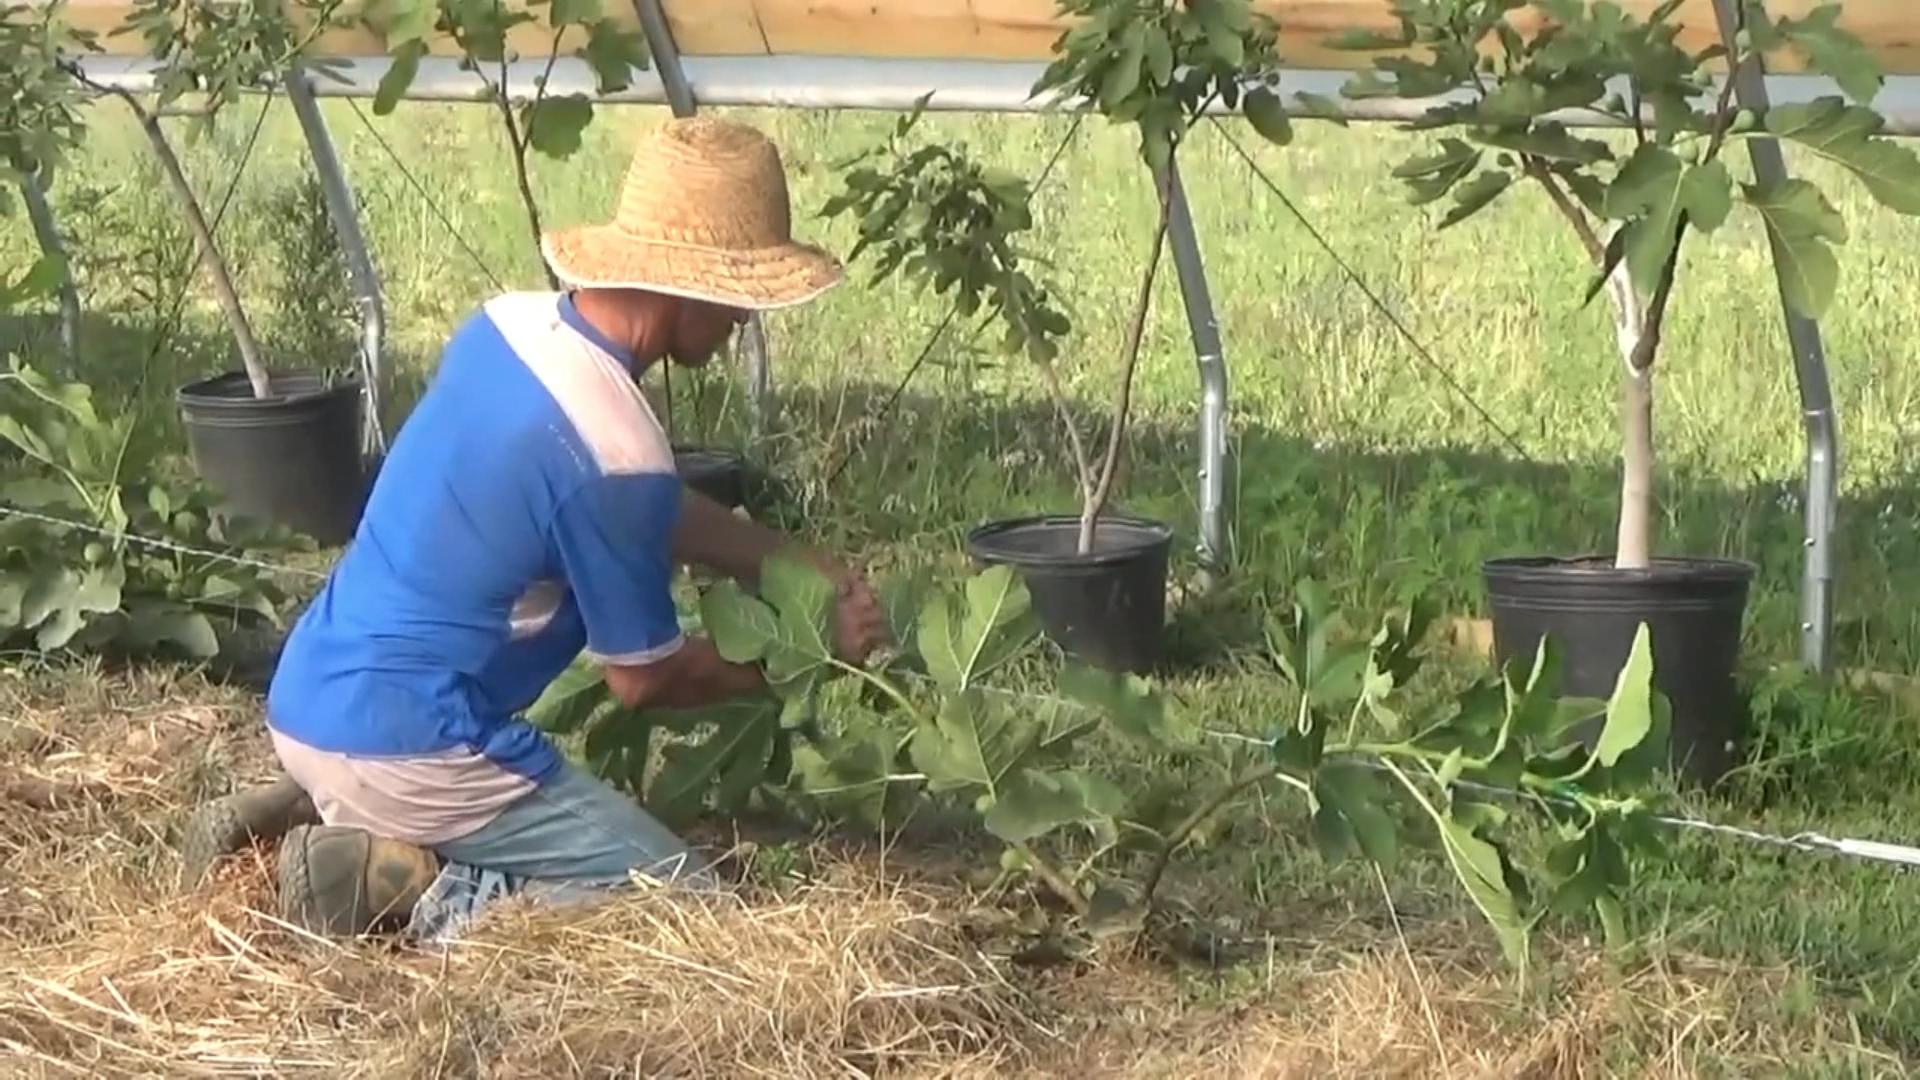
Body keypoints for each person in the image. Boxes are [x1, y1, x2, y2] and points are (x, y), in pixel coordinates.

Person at [178, 116, 886, 940]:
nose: (741, 325)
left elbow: (640, 503)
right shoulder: (617, 453)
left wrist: (792, 567)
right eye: (739, 302)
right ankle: (401, 885)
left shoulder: (509, 328)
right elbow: (647, 680)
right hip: (419, 740)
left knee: (411, 765)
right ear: (690, 289)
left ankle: (327, 809)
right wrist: (805, 655)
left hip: (314, 693)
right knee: (681, 907)